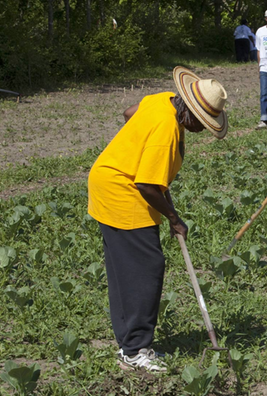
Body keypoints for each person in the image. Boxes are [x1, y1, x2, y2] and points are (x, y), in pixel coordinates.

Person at [87, 66, 228, 372]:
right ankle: (135, 350)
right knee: (145, 268)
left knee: (126, 269)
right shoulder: (167, 128)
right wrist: (174, 218)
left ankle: (128, 343)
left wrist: (142, 152)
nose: (202, 130)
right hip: (123, 193)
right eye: (202, 123)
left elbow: (129, 112)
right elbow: (146, 186)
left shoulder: (163, 100)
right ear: (189, 112)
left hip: (105, 180)